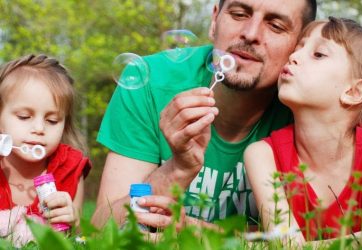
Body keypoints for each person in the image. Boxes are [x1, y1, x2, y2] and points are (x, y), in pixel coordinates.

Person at [92, 0, 317, 228]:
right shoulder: (149, 80)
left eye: (276, 26)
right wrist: (178, 168)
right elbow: (102, 226)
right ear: (214, 21)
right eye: (239, 14)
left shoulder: (312, 105)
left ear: (300, 47)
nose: (250, 34)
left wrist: (199, 232)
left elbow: (311, 237)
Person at [243, 17, 362, 245]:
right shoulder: (261, 155)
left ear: (354, 91)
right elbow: (287, 246)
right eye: (297, 48)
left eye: (318, 54)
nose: (293, 56)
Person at [0, 54, 91, 246]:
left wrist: (72, 219)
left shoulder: (70, 167)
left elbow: (78, 238)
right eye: (24, 117)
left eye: (52, 121)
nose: (39, 129)